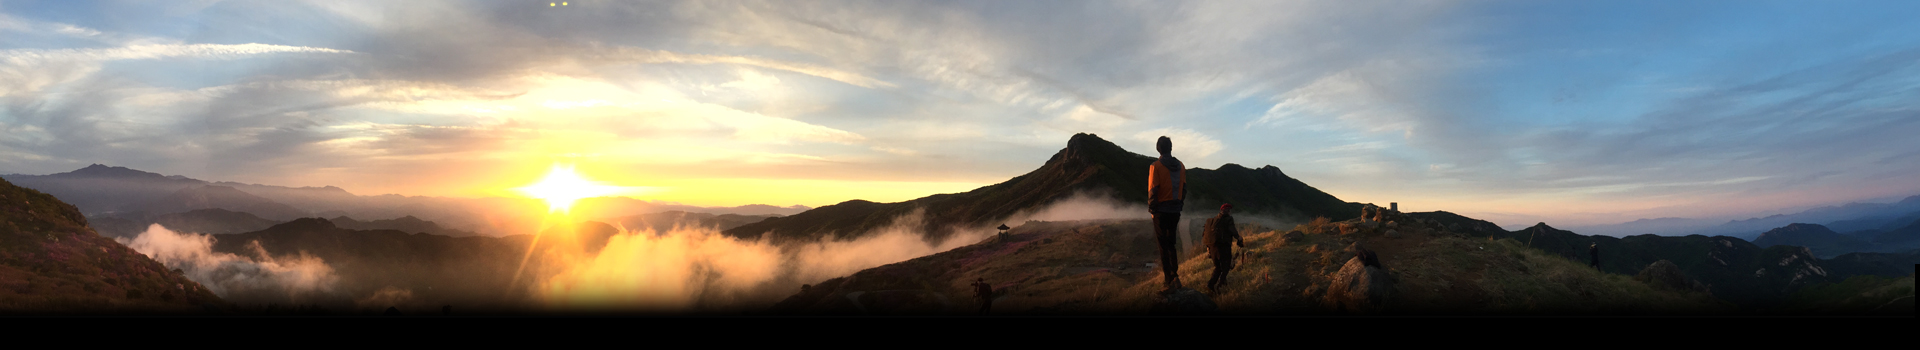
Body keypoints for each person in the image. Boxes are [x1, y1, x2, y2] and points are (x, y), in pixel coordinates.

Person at [1148, 136, 1187, 294]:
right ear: (1171, 148)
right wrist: (1179, 203)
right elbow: (1184, 189)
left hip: (1161, 212)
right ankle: (1175, 275)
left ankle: (1168, 279)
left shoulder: (1155, 166)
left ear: (1158, 149)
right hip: (1175, 210)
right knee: (1171, 243)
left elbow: (1153, 190)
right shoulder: (1181, 166)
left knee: (1163, 245)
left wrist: (1152, 209)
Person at [1203, 203, 1245, 292]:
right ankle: (1219, 285)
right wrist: (1239, 238)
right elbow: (1232, 230)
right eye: (1230, 210)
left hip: (1212, 247)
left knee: (1218, 267)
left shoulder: (1213, 220)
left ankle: (1210, 285)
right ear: (1228, 211)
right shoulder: (1228, 219)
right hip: (1223, 246)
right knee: (1226, 266)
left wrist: (1208, 247)